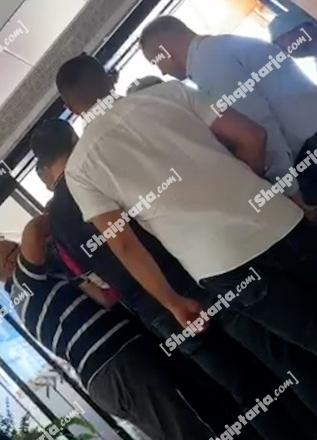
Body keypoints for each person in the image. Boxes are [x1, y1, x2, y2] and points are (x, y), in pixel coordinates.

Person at [31, 116, 317, 437]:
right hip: (196, 274)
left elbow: (97, 281)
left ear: (44, 168)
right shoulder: (101, 170)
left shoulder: (56, 225)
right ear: (73, 137)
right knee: (279, 358)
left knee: (246, 389)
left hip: (157, 311)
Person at [55, 54, 317, 379]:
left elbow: (124, 245)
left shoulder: (81, 169)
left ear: (70, 107)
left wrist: (172, 302)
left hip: (222, 262)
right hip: (279, 219)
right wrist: (249, 190)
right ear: (109, 79)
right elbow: (253, 136)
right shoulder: (170, 93)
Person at [0, 217, 216, 440]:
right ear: (10, 264)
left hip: (109, 376)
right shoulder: (25, 284)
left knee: (177, 424)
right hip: (117, 364)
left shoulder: (37, 292)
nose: (28, 250)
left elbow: (105, 300)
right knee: (183, 430)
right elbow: (34, 229)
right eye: (17, 249)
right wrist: (59, 214)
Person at [140, 15, 317, 206]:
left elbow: (260, 128)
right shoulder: (219, 49)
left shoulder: (209, 64)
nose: (162, 72)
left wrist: (291, 192)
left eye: (156, 62)